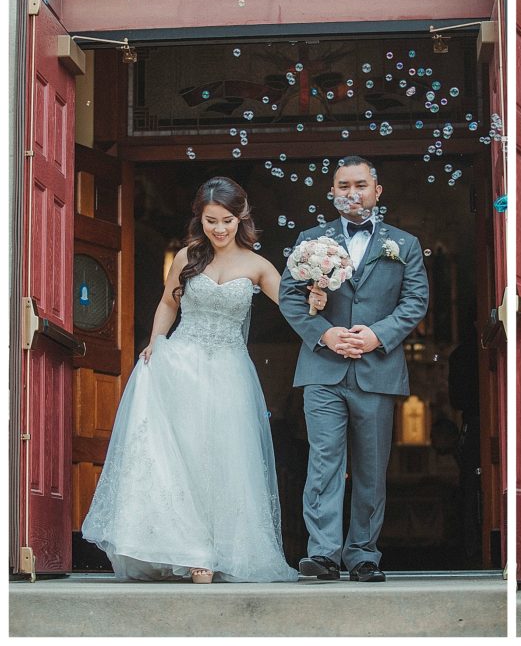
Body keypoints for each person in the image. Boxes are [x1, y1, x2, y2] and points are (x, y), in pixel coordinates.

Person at [82, 177, 299, 583]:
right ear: (201, 219)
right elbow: (168, 302)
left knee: (224, 457)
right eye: (211, 220)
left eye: (228, 220)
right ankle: (191, 550)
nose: (219, 229)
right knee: (181, 457)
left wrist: (317, 297)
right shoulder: (188, 256)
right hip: (181, 363)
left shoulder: (257, 265)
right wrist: (154, 344)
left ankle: (219, 550)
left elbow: (292, 305)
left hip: (229, 371)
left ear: (241, 218)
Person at [279, 156, 429, 583]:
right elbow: (290, 298)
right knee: (324, 460)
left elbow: (415, 301)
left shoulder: (405, 244)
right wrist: (324, 334)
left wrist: (377, 335)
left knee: (371, 465)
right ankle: (323, 553)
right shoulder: (311, 241)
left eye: (360, 184)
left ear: (377, 191)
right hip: (322, 370)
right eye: (343, 185)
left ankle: (363, 552)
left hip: (377, 369)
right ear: (332, 192)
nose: (351, 192)